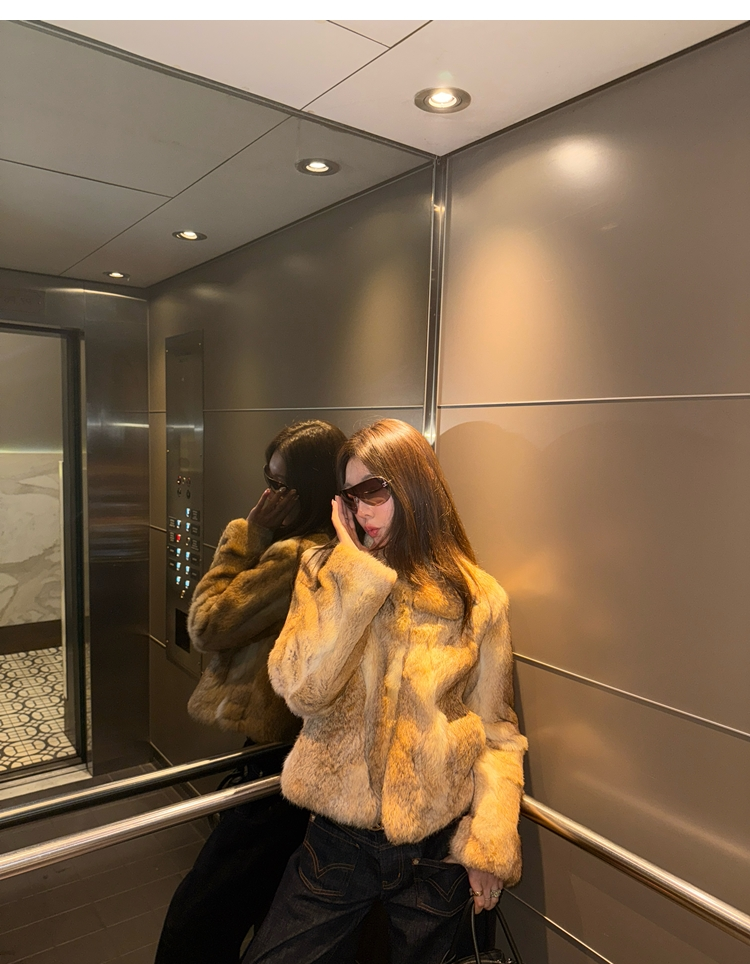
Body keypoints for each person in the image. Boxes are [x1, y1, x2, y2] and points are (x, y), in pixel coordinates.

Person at [242, 418, 528, 964]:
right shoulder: (325, 572)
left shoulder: (478, 597)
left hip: (435, 847)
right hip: (336, 841)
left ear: (415, 487)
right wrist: (356, 576)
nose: (360, 510)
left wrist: (488, 843)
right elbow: (302, 691)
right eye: (349, 496)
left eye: (372, 490)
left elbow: (496, 734)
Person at [155, 419, 347, 964]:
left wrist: (247, 535)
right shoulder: (334, 549)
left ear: (310, 492)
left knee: (201, 912)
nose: (267, 497)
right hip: (303, 749)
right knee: (263, 902)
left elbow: (207, 624)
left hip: (278, 759)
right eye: (267, 479)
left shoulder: (296, 557)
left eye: (280, 486)